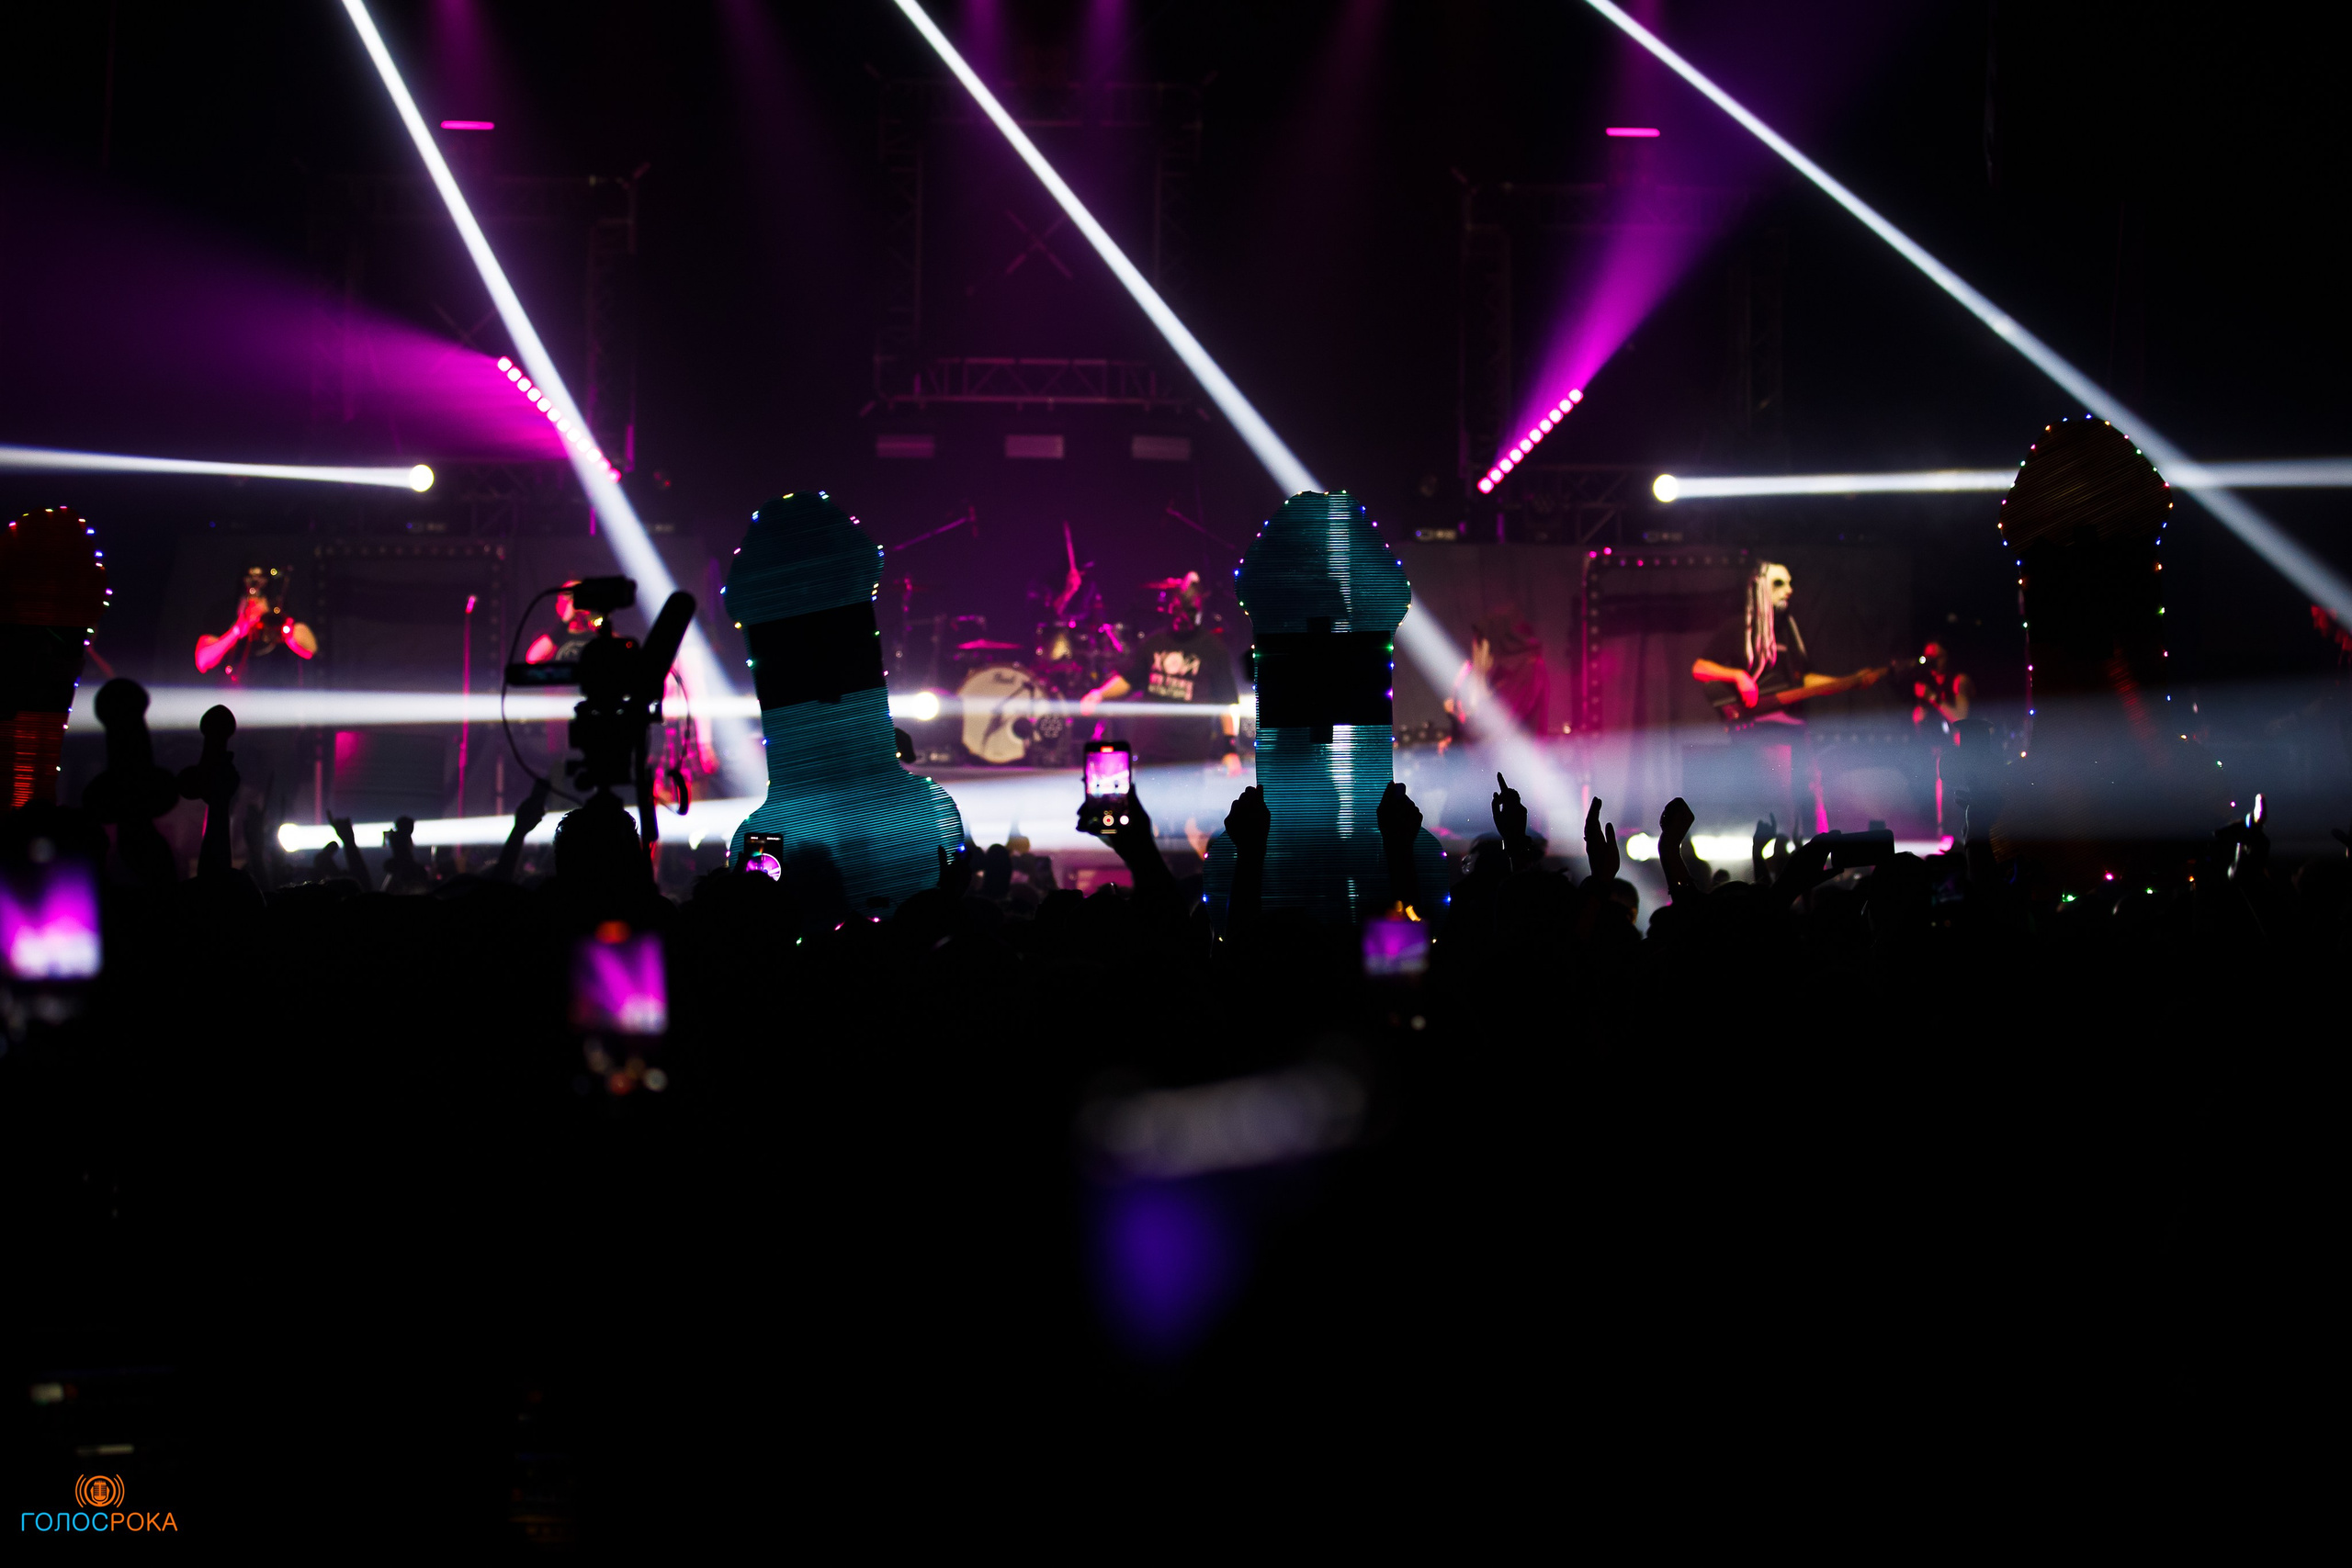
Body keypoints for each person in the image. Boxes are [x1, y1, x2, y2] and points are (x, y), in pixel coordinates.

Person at [1690, 561, 1881, 832]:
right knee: (1784, 794)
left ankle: (1815, 853)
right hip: (1763, 728)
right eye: (1779, 584)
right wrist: (1739, 676)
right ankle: (1785, 856)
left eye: (1790, 583)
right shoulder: (1737, 629)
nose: (1789, 590)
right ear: (1760, 589)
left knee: (1811, 791)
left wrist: (1848, 682)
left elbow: (1804, 681)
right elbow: (1700, 668)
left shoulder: (1788, 631)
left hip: (1794, 724)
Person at [1078, 571, 1242, 775]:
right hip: (1151, 748)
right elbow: (1129, 678)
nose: (1183, 618)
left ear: (1199, 610)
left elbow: (1227, 702)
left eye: (1189, 612)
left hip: (1188, 754)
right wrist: (1099, 694)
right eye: (1179, 611)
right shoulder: (1155, 643)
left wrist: (1230, 748)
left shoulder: (1213, 649)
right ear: (1171, 608)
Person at [1442, 607, 1549, 743]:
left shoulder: (1530, 669)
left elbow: (1493, 728)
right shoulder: (1507, 675)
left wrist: (1477, 678)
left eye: (1478, 645)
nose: (1475, 653)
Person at [194, 566, 316, 682]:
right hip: (231, 695)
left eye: (260, 578)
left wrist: (283, 628)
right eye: (250, 577)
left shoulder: (282, 610)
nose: (255, 582)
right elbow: (202, 661)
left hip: (277, 694)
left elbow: (311, 649)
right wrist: (236, 631)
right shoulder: (224, 612)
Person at [524, 581, 602, 666]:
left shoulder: (596, 636)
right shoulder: (549, 637)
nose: (572, 602)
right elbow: (532, 659)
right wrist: (565, 620)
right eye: (568, 596)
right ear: (558, 607)